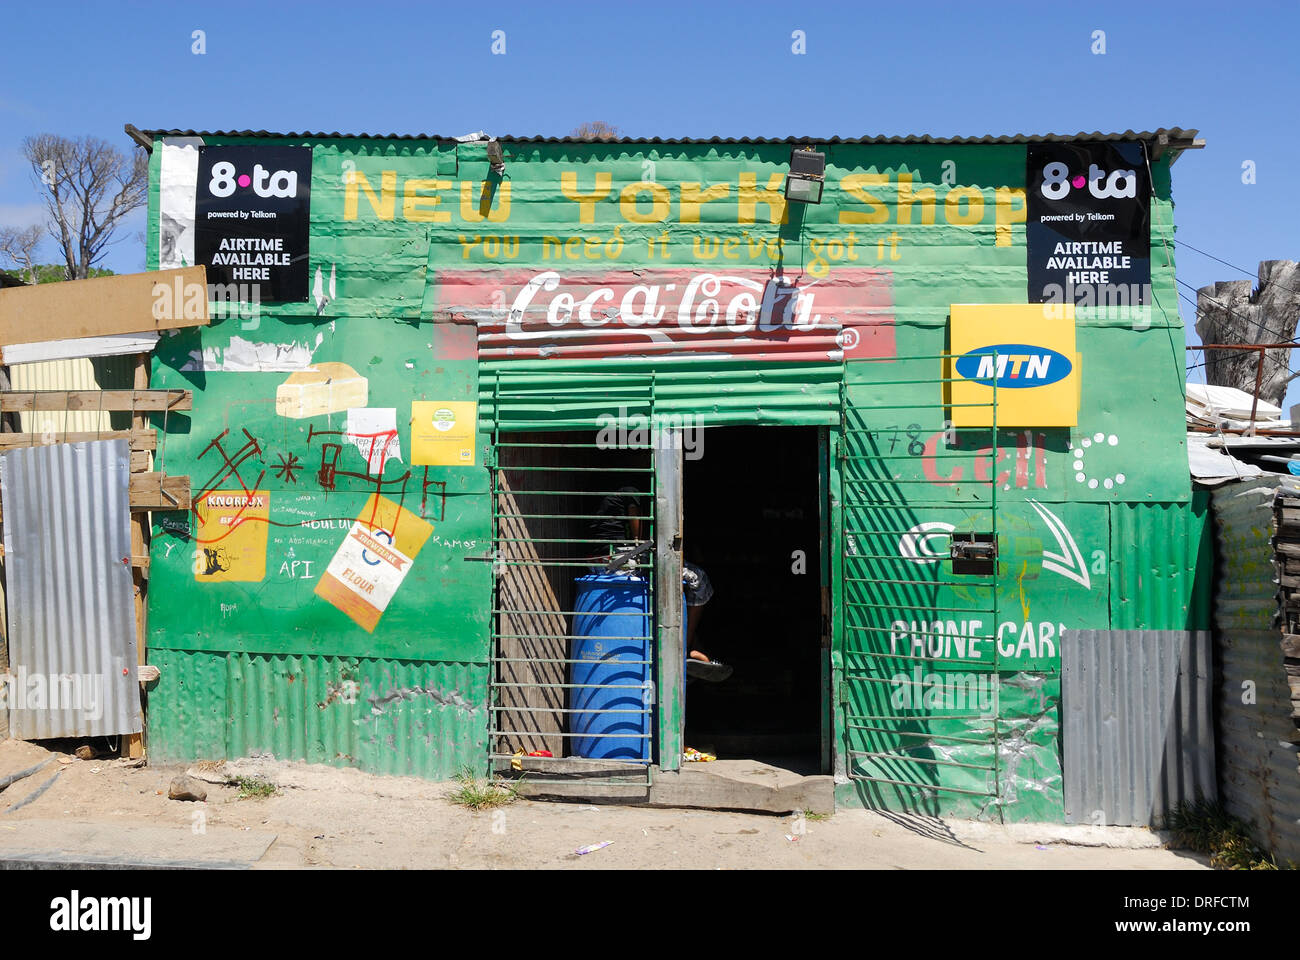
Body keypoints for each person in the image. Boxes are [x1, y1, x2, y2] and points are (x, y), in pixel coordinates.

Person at [590, 486, 731, 681]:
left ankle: (693, 646)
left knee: (677, 583)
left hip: (597, 565)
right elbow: (637, 538)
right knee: (698, 579)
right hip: (621, 562)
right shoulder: (631, 491)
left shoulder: (605, 498)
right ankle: (685, 647)